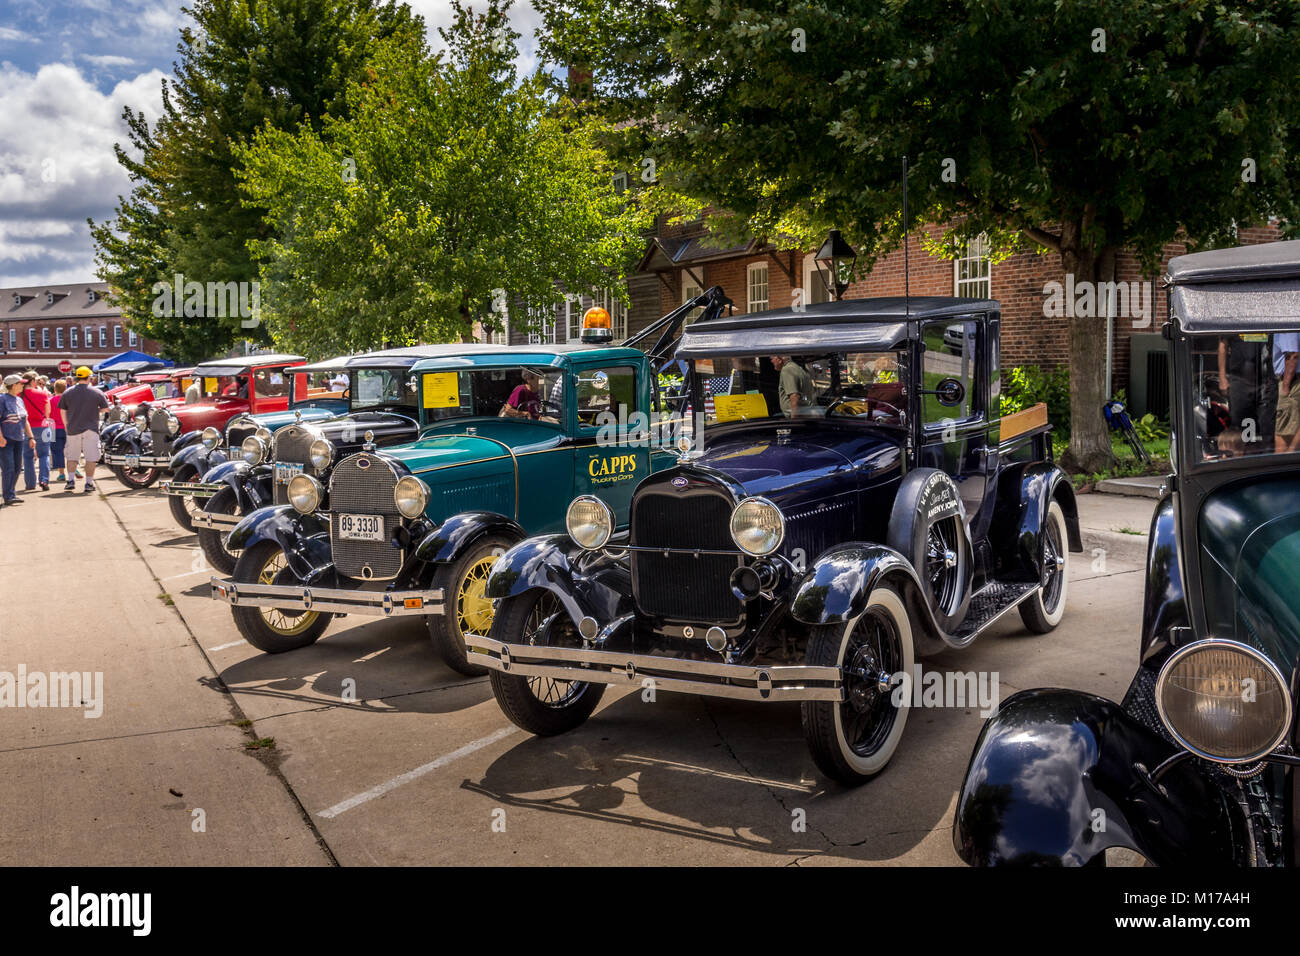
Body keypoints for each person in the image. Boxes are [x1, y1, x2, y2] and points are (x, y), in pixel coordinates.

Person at [59, 366, 109, 493]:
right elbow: (105, 409)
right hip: (91, 429)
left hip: (72, 428)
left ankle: (70, 481)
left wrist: (66, 426)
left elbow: (62, 411)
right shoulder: (97, 392)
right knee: (91, 457)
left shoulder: (67, 392)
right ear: (89, 377)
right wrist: (96, 410)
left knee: (72, 456)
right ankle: (88, 483)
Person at [1, 374, 37, 506]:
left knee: (17, 467)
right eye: (20, 383)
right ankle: (8, 496)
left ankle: (11, 493)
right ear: (13, 385)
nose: (23, 385)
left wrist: (31, 437)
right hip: (6, 439)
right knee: (8, 467)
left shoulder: (19, 400)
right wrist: (0, 437)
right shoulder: (2, 399)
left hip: (19, 438)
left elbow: (25, 420)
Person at [19, 370, 53, 491]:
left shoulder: (19, 395)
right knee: (44, 455)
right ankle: (44, 480)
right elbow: (48, 412)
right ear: (33, 381)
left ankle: (30, 484)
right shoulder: (42, 394)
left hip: (25, 428)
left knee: (27, 456)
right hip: (43, 426)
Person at [1273, 331, 1300, 453]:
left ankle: (1282, 469)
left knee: (1284, 436)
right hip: (1293, 381)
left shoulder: (1284, 317)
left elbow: (1292, 354)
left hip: (1291, 383)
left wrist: (1285, 386)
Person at [50, 379, 70, 483]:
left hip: (54, 429)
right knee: (70, 451)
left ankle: (61, 474)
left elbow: (47, 415)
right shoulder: (69, 400)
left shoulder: (51, 400)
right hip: (68, 428)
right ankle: (74, 470)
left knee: (57, 452)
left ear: (55, 388)